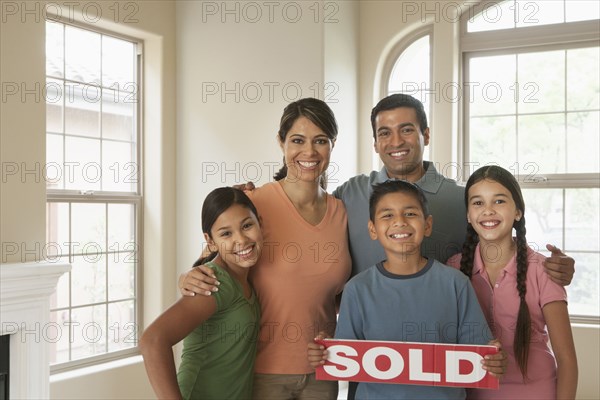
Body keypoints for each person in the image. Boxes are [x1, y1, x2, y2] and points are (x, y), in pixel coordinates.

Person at [183, 98, 352, 399]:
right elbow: (212, 264)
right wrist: (188, 278)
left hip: (322, 372)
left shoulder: (341, 212)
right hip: (262, 372)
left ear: (333, 144)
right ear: (281, 142)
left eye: (321, 141)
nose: (309, 152)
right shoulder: (253, 203)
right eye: (297, 140)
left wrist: (335, 336)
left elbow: (334, 294)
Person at [309, 180, 493, 399]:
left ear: (427, 225)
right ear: (372, 229)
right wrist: (325, 353)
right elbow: (346, 360)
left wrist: (494, 360)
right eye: (387, 215)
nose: (399, 222)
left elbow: (482, 357)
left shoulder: (456, 284)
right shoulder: (357, 290)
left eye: (410, 214)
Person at [446, 166, 578, 399]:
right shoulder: (453, 268)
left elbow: (567, 360)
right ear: (468, 214)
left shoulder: (543, 270)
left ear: (517, 211)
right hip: (473, 393)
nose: (488, 211)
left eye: (499, 201)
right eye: (477, 203)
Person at [140, 187, 263, 400]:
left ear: (260, 223)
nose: (241, 240)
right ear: (211, 241)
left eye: (247, 225)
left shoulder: (245, 279)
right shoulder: (215, 281)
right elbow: (152, 340)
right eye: (226, 233)